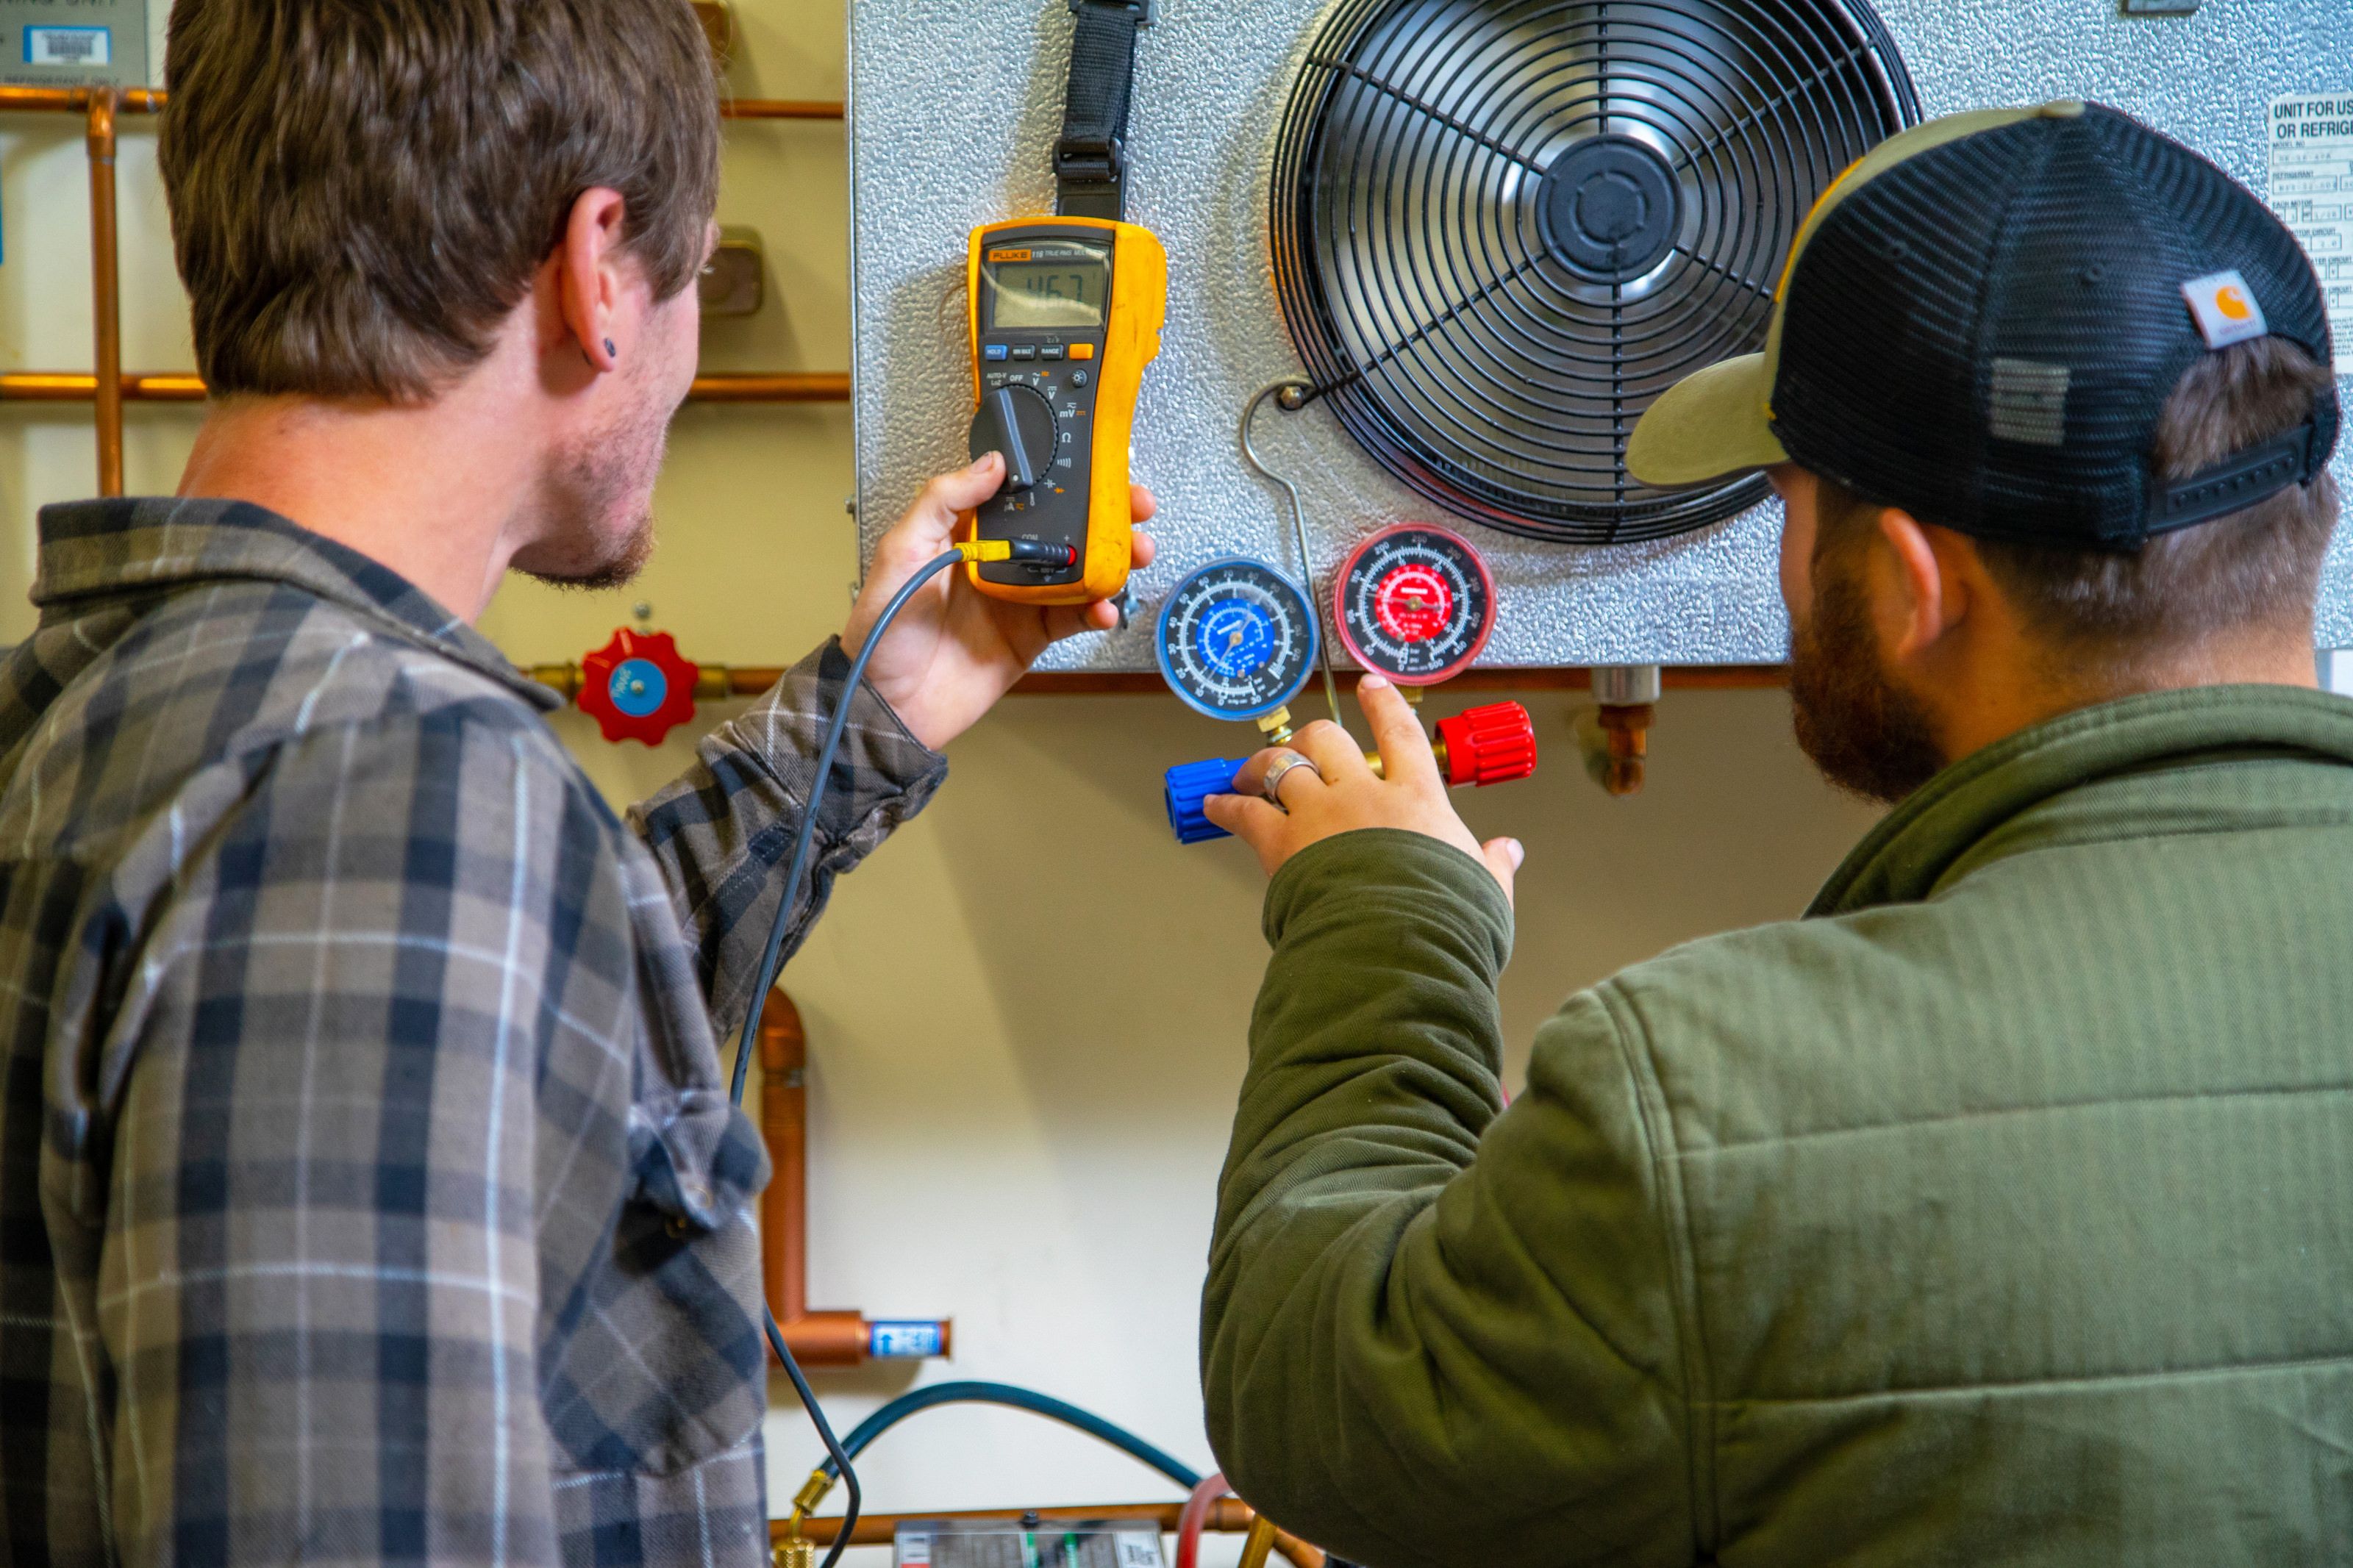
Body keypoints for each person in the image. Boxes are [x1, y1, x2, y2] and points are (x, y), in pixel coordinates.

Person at [0, 2, 1151, 1564]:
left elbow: (524, 1055)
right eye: (691, 271)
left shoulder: (109, 701)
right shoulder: (375, 796)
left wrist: (869, 716)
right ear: (598, 266)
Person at [1196, 101, 2351, 1565]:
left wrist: (1382, 915)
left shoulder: (1715, 1098)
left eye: (1789, 501)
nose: (1785, 565)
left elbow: (1316, 1394)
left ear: (1918, 588)